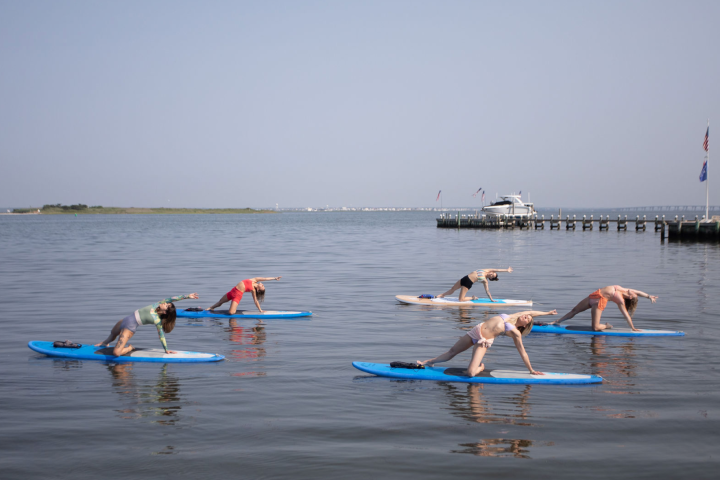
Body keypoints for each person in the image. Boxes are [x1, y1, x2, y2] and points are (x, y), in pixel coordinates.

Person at [418, 310, 557, 376]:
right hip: (476, 331)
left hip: (483, 341)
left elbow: (522, 352)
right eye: (526, 315)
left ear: (525, 325)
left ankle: (480, 368)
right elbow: (532, 311)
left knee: (471, 374)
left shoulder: (515, 332)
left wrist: (531, 370)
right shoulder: (511, 316)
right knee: (452, 352)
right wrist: (547, 313)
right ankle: (428, 362)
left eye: (528, 318)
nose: (526, 315)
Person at [95, 293, 199, 356]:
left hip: (129, 328)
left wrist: (166, 349)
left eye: (166, 305)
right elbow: (172, 298)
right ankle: (105, 343)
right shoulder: (155, 305)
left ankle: (129, 348)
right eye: (166, 303)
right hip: (124, 321)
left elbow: (161, 336)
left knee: (116, 353)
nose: (165, 303)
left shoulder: (157, 320)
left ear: (166, 312)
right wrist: (187, 296)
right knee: (113, 334)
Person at [547, 285, 658, 332]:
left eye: (633, 294)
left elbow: (626, 315)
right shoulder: (622, 289)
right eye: (634, 292)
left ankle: (606, 326)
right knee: (574, 310)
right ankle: (556, 321)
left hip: (599, 302)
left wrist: (633, 328)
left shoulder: (621, 301)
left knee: (595, 328)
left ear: (630, 297)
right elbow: (639, 292)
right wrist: (649, 296)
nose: (633, 291)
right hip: (594, 295)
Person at [206, 277, 282, 314]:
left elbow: (255, 301)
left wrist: (260, 310)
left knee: (231, 313)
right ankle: (210, 308)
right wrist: (275, 278)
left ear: (258, 290)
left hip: (237, 295)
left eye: (262, 286)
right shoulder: (255, 280)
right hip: (233, 291)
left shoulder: (253, 290)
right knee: (220, 302)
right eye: (263, 285)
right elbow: (265, 278)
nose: (262, 284)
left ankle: (231, 312)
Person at [437, 267, 513, 302]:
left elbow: (487, 291)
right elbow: (497, 270)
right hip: (465, 278)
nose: (491, 274)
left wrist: (491, 299)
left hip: (468, 283)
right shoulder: (486, 270)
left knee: (460, 299)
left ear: (491, 278)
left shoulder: (485, 281)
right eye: (492, 273)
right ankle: (442, 295)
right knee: (452, 289)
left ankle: (473, 298)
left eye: (492, 276)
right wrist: (506, 270)